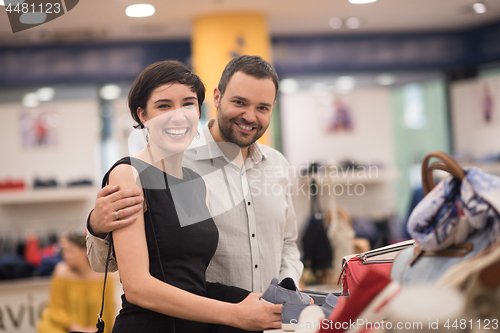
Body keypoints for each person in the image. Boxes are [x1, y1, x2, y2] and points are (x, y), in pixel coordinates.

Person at [89, 60, 281, 333]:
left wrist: (255, 299)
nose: (178, 115)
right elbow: (137, 288)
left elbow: (191, 279)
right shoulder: (129, 174)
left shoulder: (194, 183)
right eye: (164, 106)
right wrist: (234, 314)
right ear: (143, 115)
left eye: (188, 104)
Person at [37, 229, 115, 333]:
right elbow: (56, 310)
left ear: (84, 251)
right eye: (64, 251)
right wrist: (78, 329)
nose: (65, 255)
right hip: (64, 328)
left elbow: (109, 312)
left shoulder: (105, 276)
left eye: (70, 251)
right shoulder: (61, 272)